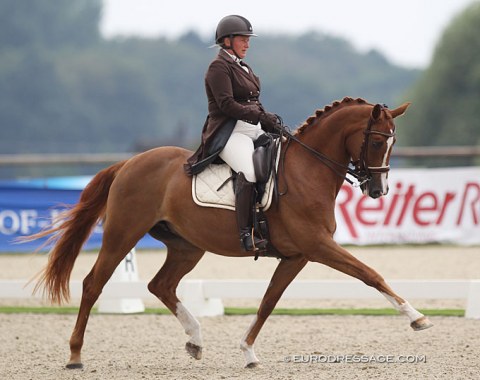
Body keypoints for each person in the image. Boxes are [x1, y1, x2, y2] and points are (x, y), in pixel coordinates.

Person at [185, 15, 279, 252]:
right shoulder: (218, 67)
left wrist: (269, 121)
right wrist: (259, 117)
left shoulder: (243, 67)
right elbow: (226, 105)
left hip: (251, 128)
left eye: (248, 39)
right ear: (227, 41)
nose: (247, 44)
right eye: (243, 39)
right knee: (248, 171)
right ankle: (247, 234)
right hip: (229, 132)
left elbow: (253, 103)